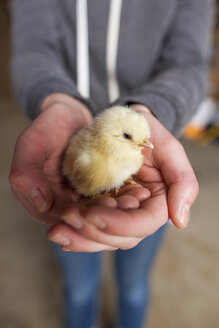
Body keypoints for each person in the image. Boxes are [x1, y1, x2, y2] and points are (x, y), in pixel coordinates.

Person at [9, 0, 214, 327]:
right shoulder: (96, 148)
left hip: (140, 121)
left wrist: (151, 110)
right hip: (81, 131)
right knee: (78, 287)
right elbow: (33, 48)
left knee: (133, 285)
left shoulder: (136, 142)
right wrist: (56, 99)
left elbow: (189, 61)